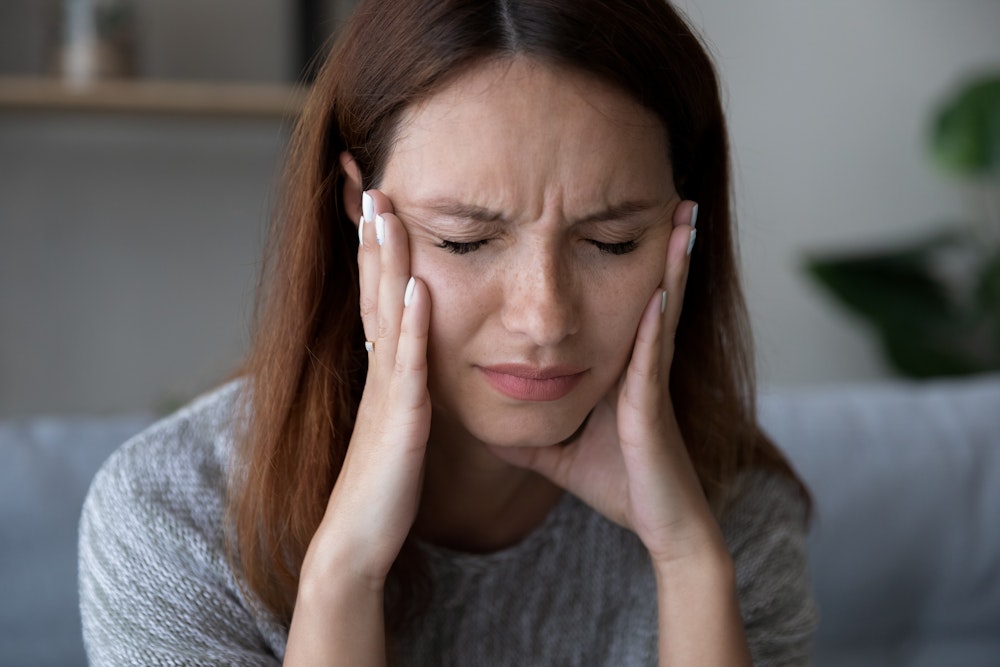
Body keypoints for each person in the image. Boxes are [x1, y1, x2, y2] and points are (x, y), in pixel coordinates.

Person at [79, 0, 818, 664]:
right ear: (357, 210)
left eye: (613, 241)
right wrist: (343, 572)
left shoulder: (730, 516)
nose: (545, 318)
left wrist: (689, 561)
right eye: (464, 240)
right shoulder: (170, 526)